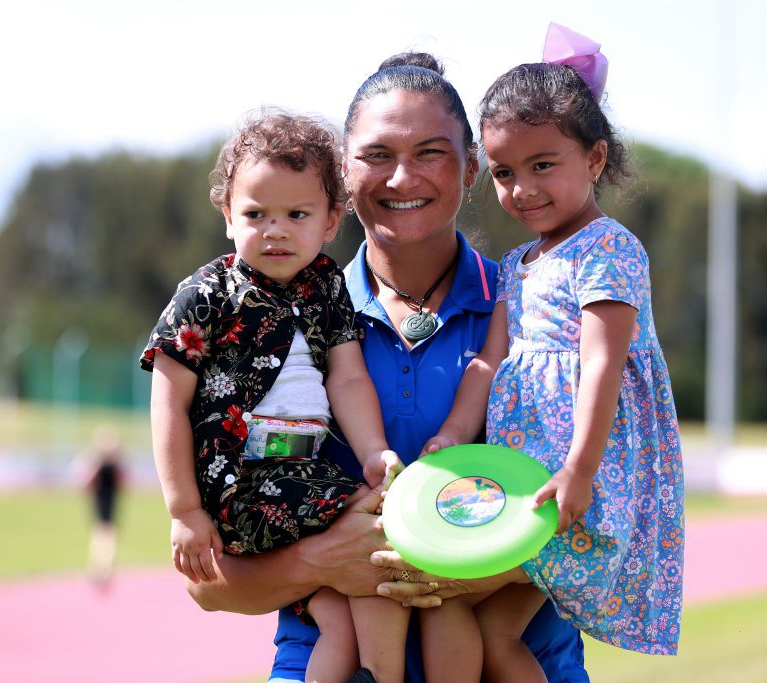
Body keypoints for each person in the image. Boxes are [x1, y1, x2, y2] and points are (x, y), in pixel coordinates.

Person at [186, 53, 591, 683]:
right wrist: (323, 561)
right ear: (343, 175)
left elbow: (616, 502)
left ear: (473, 168)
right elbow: (208, 583)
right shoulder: (262, 314)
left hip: (521, 663)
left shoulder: (547, 304)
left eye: (431, 152)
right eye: (377, 155)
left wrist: (490, 563)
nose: (403, 178)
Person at [421, 25, 686, 680]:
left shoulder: (608, 248)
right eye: (506, 173)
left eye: (543, 166)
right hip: (527, 479)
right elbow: (489, 358)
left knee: (448, 588)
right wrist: (453, 434)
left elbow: (602, 361)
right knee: (492, 632)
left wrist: (579, 469)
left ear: (595, 159)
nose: (522, 189)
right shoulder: (518, 262)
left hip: (579, 482)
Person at [141, 110, 407, 683]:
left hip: (300, 483)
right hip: (242, 485)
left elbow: (348, 377)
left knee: (342, 608)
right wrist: (185, 510)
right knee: (382, 542)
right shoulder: (207, 294)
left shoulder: (327, 288)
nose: (275, 230)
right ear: (227, 216)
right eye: (255, 214)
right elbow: (168, 400)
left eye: (297, 214)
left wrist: (373, 453)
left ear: (333, 219)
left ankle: (369, 670)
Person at [75, 424, 125, 589]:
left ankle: (102, 570)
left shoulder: (111, 467)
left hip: (108, 506)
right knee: (104, 538)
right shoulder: (101, 467)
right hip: (102, 506)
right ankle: (102, 570)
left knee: (104, 538)